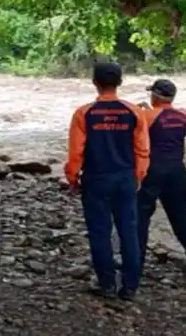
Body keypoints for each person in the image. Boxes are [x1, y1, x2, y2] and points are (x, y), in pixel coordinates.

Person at [64, 63, 150, 301]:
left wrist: (73, 178)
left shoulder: (84, 113)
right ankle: (130, 287)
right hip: (125, 177)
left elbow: (75, 153)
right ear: (120, 82)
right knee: (129, 231)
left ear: (95, 82)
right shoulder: (135, 112)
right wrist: (138, 176)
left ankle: (107, 285)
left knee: (99, 232)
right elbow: (142, 150)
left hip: (96, 178)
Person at [136, 79, 186, 272]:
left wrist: (142, 111)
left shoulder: (146, 116)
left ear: (155, 96)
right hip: (177, 170)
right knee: (182, 214)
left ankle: (136, 261)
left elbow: (141, 130)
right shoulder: (185, 116)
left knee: (140, 214)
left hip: (152, 170)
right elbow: (165, 121)